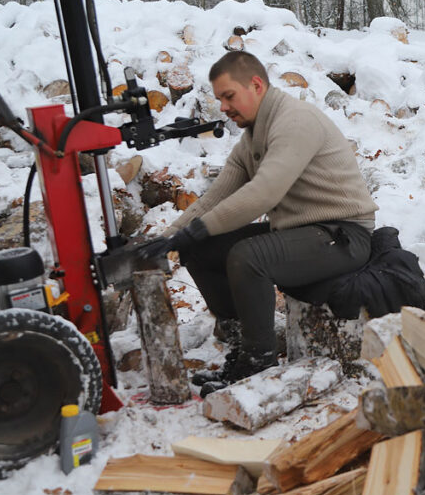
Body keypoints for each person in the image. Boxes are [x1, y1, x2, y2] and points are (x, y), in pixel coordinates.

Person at [138, 50, 379, 392]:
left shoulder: (295, 122)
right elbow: (215, 197)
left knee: (248, 256)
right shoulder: (253, 137)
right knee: (201, 247)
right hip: (304, 231)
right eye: (220, 99)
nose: (223, 107)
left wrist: (195, 230)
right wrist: (173, 236)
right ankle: (241, 345)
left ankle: (258, 362)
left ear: (256, 85)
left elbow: (264, 193)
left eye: (229, 96)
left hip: (344, 235)